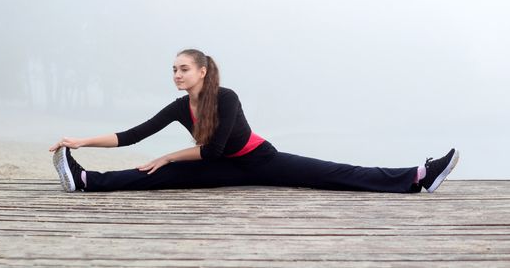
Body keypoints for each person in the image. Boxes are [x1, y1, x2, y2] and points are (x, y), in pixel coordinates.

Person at [49, 49, 459, 194]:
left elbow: (215, 148)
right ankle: (84, 181)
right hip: (218, 167)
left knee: (332, 173)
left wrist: (171, 154)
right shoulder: (179, 107)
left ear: (203, 72)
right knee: (155, 175)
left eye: (184, 69)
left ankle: (417, 176)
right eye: (173, 69)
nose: (176, 75)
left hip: (260, 159)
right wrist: (79, 142)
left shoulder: (226, 98)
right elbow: (131, 135)